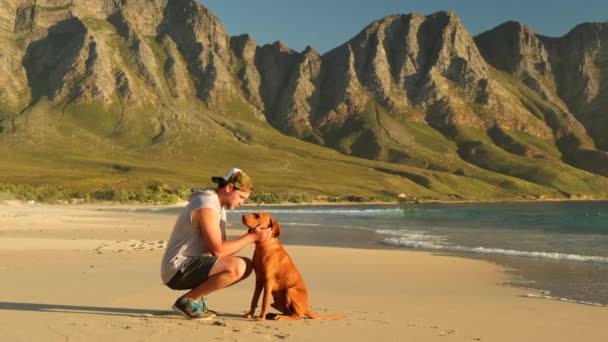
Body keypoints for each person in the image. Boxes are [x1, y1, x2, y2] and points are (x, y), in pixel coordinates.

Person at [160, 167, 271, 320]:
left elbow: (220, 251)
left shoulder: (217, 205)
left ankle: (196, 300)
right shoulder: (207, 205)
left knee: (246, 266)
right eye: (241, 197)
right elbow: (218, 250)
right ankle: (188, 301)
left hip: (189, 265)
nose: (241, 203)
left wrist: (250, 235)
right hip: (177, 269)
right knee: (239, 266)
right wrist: (251, 237)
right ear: (229, 188)